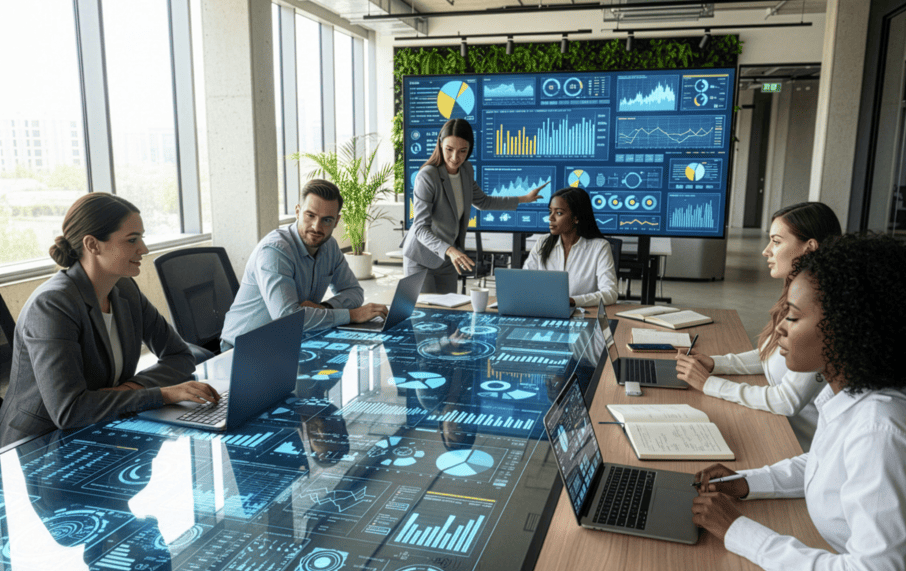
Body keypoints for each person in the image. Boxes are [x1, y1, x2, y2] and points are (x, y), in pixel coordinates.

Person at [691, 234, 906, 571]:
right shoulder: (856, 389)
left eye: (792, 318)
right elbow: (828, 463)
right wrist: (749, 482)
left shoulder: (882, 432)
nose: (778, 328)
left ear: (847, 328)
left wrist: (738, 531)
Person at [0, 193, 214, 446]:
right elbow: (69, 410)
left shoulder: (125, 289)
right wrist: (161, 394)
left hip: (98, 426)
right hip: (40, 443)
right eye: (132, 240)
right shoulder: (52, 305)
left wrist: (132, 388)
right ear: (92, 245)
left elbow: (180, 356)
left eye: (142, 238)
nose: (143, 249)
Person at [674, 202, 841, 450]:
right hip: (779, 428)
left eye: (776, 241)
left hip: (797, 446)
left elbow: (787, 400)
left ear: (809, 248)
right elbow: (772, 354)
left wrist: (710, 384)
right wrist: (716, 363)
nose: (766, 251)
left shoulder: (821, 312)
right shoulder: (796, 294)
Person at [221, 179, 388, 347]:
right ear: (298, 212)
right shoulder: (274, 251)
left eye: (327, 220)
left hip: (286, 342)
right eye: (310, 216)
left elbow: (354, 291)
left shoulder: (329, 246)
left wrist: (324, 308)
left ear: (336, 222)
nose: (316, 227)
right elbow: (288, 319)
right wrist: (352, 315)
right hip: (243, 347)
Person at [401, 118, 548, 293]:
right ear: (440, 144)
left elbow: (484, 202)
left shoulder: (466, 170)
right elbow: (420, 229)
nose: (455, 158)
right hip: (422, 258)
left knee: (447, 315)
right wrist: (450, 251)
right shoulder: (427, 176)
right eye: (449, 149)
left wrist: (524, 198)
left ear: (469, 149)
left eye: (463, 151)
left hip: (448, 259)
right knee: (425, 315)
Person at [523, 187, 618, 307]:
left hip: (583, 316)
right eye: (550, 211)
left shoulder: (600, 247)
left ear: (576, 218)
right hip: (544, 311)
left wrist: (573, 301)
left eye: (558, 213)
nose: (550, 218)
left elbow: (610, 293)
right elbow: (525, 282)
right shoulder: (542, 242)